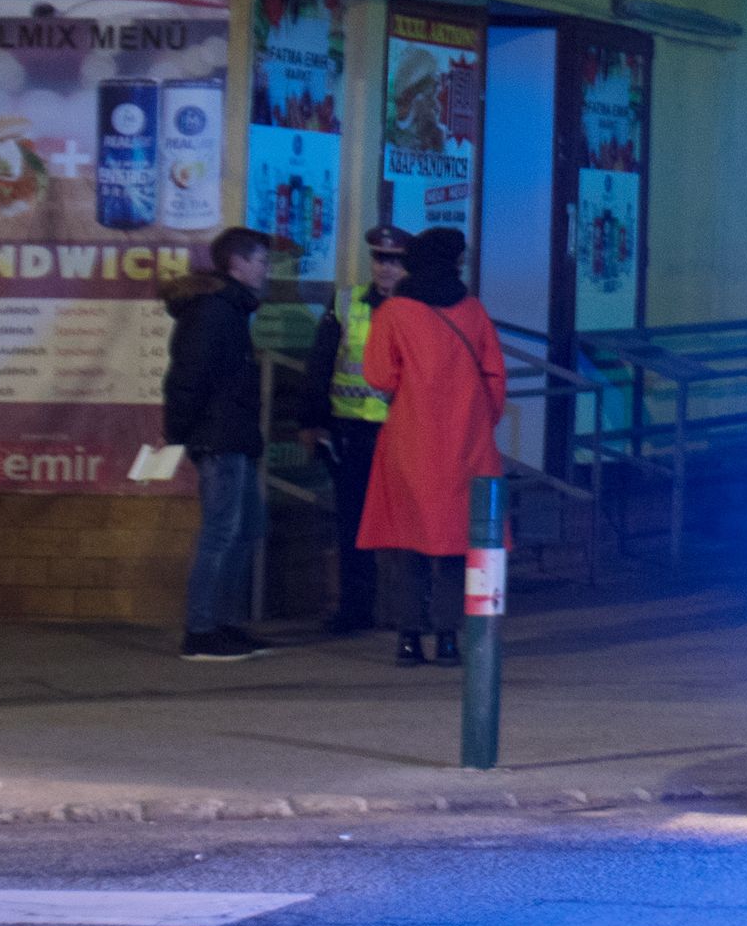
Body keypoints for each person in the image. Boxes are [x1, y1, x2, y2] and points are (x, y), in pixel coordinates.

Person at [357, 226, 506, 667]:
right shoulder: (473, 311)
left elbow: (379, 375)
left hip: (410, 440)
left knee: (408, 542)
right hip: (468, 442)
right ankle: (448, 638)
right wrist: (480, 421)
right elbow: (495, 377)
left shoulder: (395, 312)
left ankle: (407, 638)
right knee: (460, 542)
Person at [162, 225, 282, 662]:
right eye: (261, 261)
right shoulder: (213, 311)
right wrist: (181, 434)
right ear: (238, 264)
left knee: (247, 528)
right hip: (219, 438)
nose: (266, 270)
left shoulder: (230, 309)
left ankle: (225, 624)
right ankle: (200, 631)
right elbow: (187, 379)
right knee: (221, 532)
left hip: (233, 436)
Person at [307, 227, 409, 633]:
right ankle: (355, 608)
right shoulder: (347, 301)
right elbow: (321, 363)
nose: (385, 267)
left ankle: (404, 612)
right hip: (353, 431)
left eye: (395, 260)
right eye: (379, 258)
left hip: (401, 432)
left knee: (402, 524)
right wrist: (311, 422)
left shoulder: (416, 306)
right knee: (353, 522)